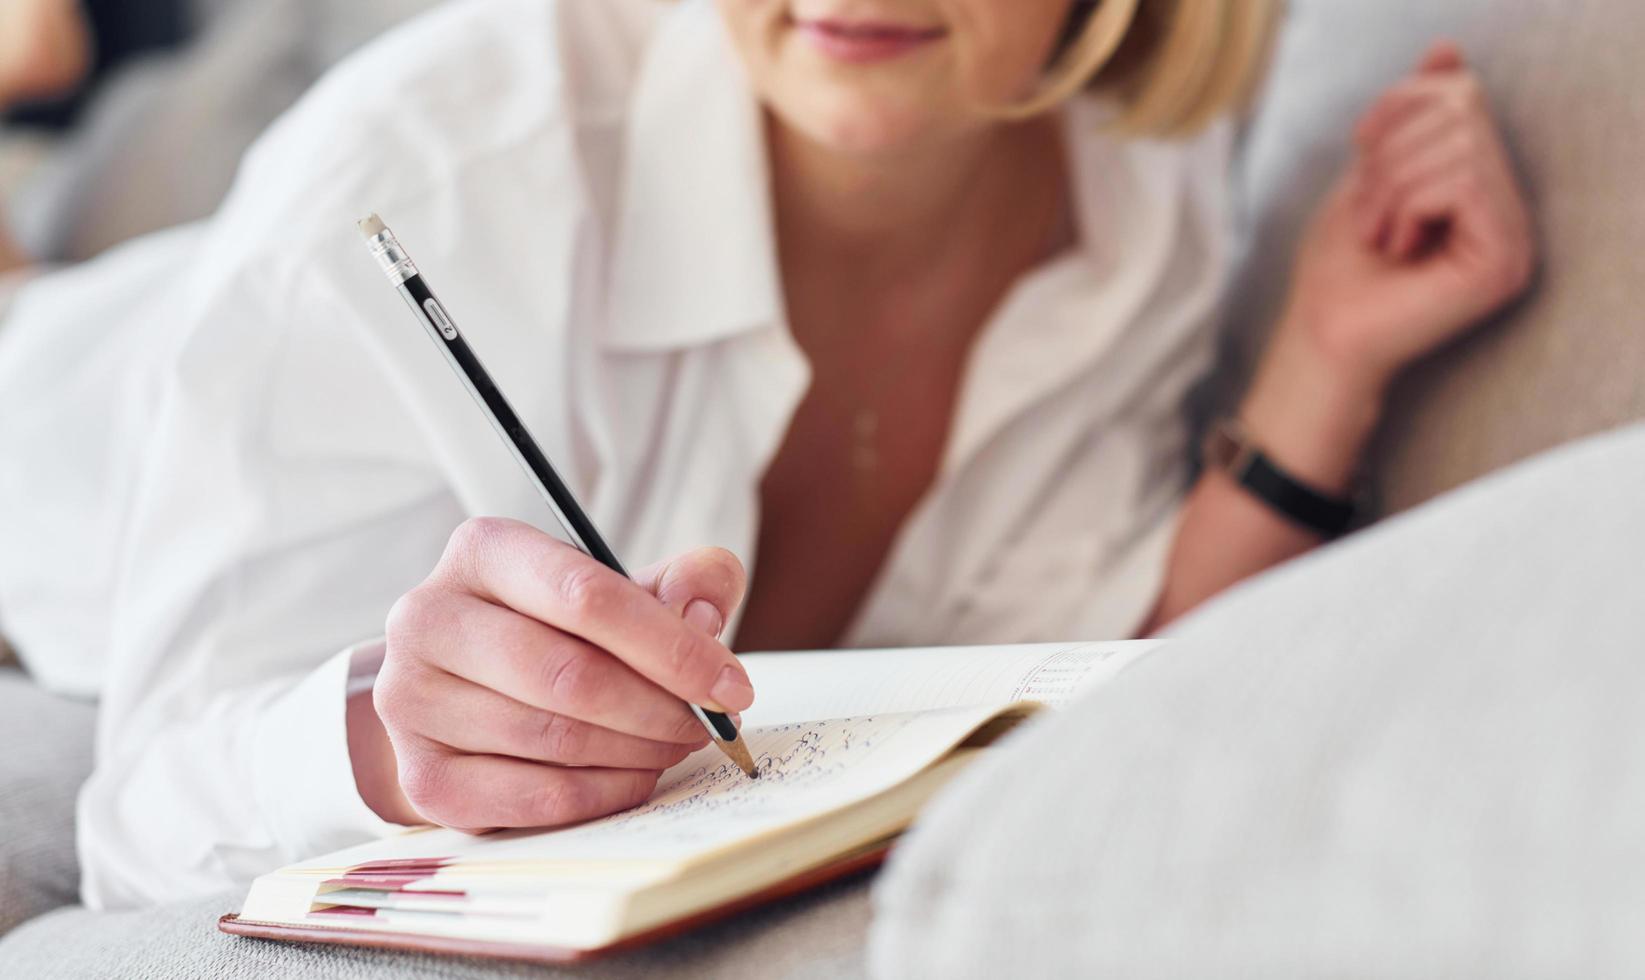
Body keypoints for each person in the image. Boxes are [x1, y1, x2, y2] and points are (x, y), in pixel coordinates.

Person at [0, 0, 1533, 910]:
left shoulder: (1147, 193)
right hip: (59, 421)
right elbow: (139, 813)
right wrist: (393, 745)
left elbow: (1099, 642)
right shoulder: (413, 178)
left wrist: (1326, 353)